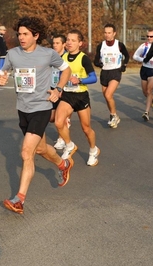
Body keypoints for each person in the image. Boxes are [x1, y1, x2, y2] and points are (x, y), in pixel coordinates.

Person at [0, 17, 73, 214]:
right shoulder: (12, 54)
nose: (21, 37)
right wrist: (1, 78)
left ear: (35, 36)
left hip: (42, 108)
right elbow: (1, 72)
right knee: (40, 150)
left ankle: (19, 199)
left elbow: (66, 70)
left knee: (26, 152)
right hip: (23, 109)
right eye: (19, 34)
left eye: (25, 34)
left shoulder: (48, 54)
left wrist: (58, 89)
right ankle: (63, 164)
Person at [54, 29, 99, 166]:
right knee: (58, 122)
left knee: (86, 128)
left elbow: (93, 78)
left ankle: (93, 150)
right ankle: (69, 145)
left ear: (80, 43)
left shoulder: (83, 58)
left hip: (81, 96)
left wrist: (79, 80)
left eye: (73, 40)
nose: (69, 42)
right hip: (67, 95)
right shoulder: (63, 58)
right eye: (67, 40)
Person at [94, 23, 130, 128]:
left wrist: (124, 65)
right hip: (105, 72)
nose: (107, 35)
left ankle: (113, 115)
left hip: (115, 72)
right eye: (105, 33)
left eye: (109, 33)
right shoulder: (101, 45)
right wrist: (97, 63)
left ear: (114, 33)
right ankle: (113, 115)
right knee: (106, 96)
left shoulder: (119, 44)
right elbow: (96, 59)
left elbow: (127, 56)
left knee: (108, 95)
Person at [50, 35, 71, 150]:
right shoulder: (51, 56)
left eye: (57, 43)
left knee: (60, 118)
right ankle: (65, 125)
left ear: (63, 44)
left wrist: (62, 87)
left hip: (64, 91)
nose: (54, 45)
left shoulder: (67, 57)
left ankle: (61, 138)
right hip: (53, 89)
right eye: (53, 43)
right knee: (52, 118)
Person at [133, 28, 153, 121]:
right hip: (144, 69)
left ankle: (146, 112)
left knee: (149, 90)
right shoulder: (144, 46)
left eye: (151, 36)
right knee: (145, 93)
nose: (149, 38)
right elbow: (135, 56)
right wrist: (143, 60)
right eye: (147, 36)